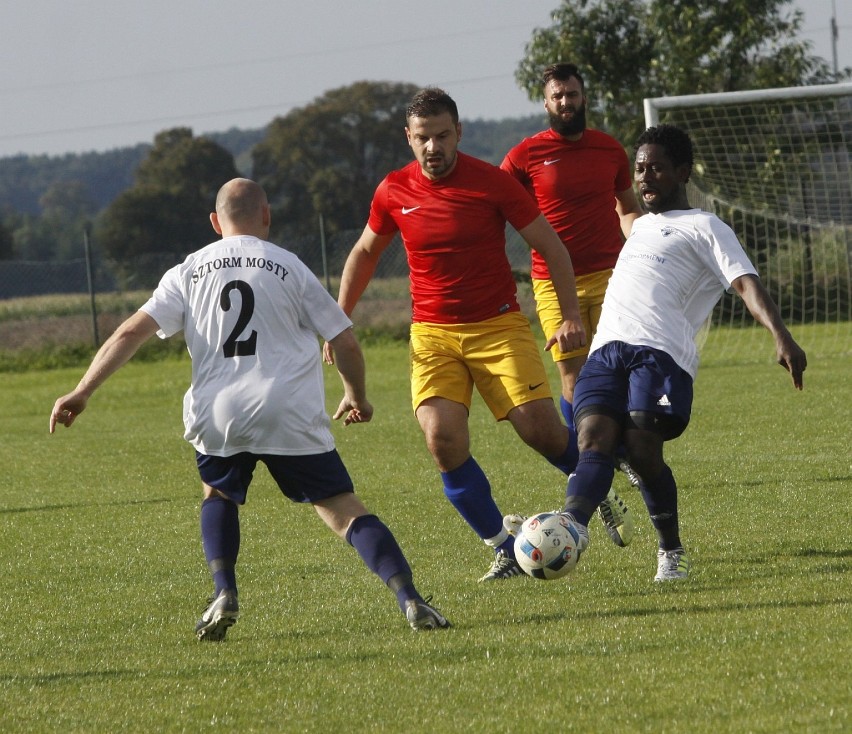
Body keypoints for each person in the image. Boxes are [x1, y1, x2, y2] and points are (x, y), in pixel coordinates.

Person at [49, 177, 450, 639]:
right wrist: (357, 396)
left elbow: (129, 333)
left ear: (216, 222)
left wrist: (82, 390)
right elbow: (345, 342)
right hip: (287, 411)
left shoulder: (189, 270)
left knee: (217, 495)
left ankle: (223, 591)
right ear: (266, 216)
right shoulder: (290, 266)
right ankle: (410, 598)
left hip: (218, 414)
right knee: (341, 507)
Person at [326, 87, 631, 583]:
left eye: (443, 136)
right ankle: (505, 547)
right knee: (441, 439)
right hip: (433, 336)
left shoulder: (492, 183)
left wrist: (569, 314)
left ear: (459, 133)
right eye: (423, 138)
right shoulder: (392, 191)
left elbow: (551, 247)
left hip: (498, 326)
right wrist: (338, 318)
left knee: (540, 430)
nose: (433, 147)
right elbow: (365, 252)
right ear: (409, 138)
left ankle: (598, 488)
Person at [555, 124, 806, 580]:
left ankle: (671, 551)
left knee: (642, 443)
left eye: (656, 169)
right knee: (590, 436)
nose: (645, 177)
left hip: (660, 353)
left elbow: (745, 283)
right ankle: (570, 527)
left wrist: (781, 335)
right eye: (640, 169)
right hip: (608, 348)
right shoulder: (641, 227)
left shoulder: (707, 227)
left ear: (683, 172)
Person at [500, 63, 646, 519]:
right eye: (558, 96)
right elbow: (495, 206)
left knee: (619, 369)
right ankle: (588, 461)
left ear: (585, 97)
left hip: (611, 275)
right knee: (572, 377)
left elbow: (627, 208)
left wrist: (641, 241)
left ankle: (629, 456)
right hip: (550, 282)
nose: (567, 102)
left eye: (574, 94)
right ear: (546, 103)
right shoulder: (524, 156)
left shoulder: (608, 149)